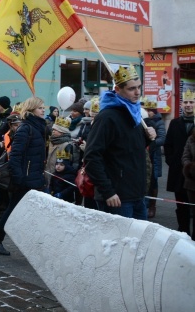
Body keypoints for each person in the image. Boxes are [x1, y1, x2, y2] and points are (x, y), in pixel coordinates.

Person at [83, 66, 156, 219]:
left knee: (138, 242)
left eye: (139, 87)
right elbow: (91, 157)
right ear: (117, 89)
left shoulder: (134, 113)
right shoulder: (107, 118)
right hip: (117, 199)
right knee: (119, 242)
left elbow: (127, 150)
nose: (137, 93)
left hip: (137, 195)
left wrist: (146, 138)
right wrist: (107, 191)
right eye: (131, 89)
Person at [0, 96, 47, 255]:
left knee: (32, 213)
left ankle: (32, 245)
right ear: (31, 110)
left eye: (43, 107)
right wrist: (20, 179)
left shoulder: (39, 127)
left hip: (35, 178)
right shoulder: (26, 128)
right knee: (12, 210)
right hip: (25, 180)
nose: (44, 110)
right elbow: (15, 156)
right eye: (40, 107)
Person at [164, 89, 195, 235]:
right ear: (182, 104)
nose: (188, 105)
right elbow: (168, 144)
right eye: (186, 102)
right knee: (181, 203)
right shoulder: (175, 123)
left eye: (192, 102)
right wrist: (172, 161)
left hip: (193, 173)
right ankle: (183, 230)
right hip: (177, 171)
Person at [142, 100, 166, 218]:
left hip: (153, 156)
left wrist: (150, 144)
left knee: (153, 182)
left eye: (149, 110)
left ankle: (152, 206)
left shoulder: (159, 122)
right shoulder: (142, 121)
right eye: (145, 110)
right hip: (143, 155)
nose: (147, 113)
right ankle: (144, 204)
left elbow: (162, 139)